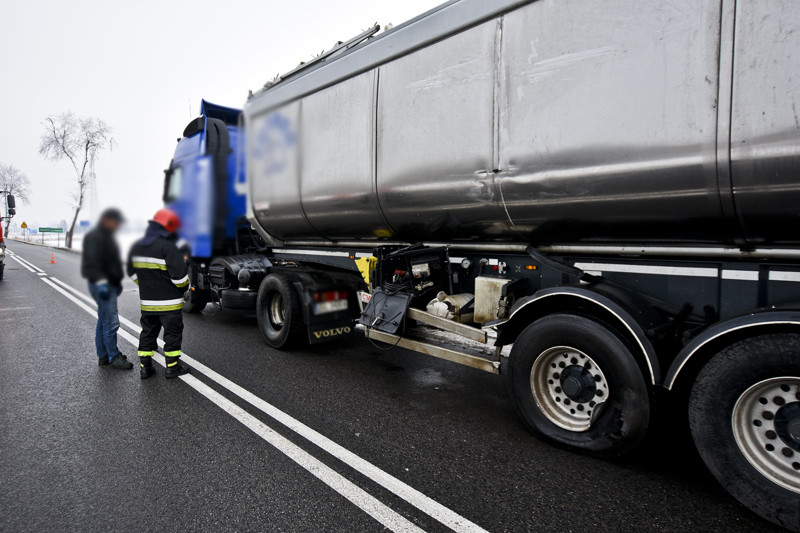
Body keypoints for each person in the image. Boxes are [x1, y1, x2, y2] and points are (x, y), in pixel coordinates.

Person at [127, 208, 190, 380]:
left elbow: (131, 272)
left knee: (147, 333)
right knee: (172, 334)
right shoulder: (169, 247)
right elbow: (180, 278)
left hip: (147, 303)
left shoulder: (138, 245)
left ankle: (145, 368)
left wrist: (146, 285)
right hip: (170, 304)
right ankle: (172, 368)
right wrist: (185, 287)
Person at [81, 208, 133, 370]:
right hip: (101, 284)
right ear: (107, 220)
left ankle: (103, 355)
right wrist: (104, 282)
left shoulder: (105, 237)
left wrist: (117, 282)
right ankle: (113, 356)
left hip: (107, 283)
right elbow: (94, 264)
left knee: (103, 320)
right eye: (116, 222)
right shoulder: (96, 237)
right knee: (111, 322)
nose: (118, 225)